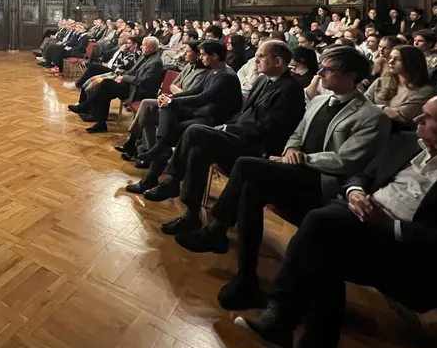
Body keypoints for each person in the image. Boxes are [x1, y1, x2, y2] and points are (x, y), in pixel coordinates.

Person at [234, 95, 437, 348]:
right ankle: (303, 345)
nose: (417, 120)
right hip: (359, 228)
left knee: (320, 232)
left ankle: (284, 317)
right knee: (323, 244)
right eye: (421, 113)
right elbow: (362, 175)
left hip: (417, 260)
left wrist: (394, 227)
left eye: (430, 118)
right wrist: (355, 193)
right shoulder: (405, 142)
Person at [174, 46, 389, 311]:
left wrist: (304, 158)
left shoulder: (371, 116)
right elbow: (296, 135)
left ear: (351, 75)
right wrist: (291, 150)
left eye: (328, 69)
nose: (320, 73)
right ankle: (245, 277)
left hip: (323, 183)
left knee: (246, 166)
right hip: (294, 171)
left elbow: (348, 160)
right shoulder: (320, 101)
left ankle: (217, 232)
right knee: (251, 186)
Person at [143, 40, 306, 234]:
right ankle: (190, 215)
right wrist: (228, 127)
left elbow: (269, 129)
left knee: (195, 131)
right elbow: (244, 113)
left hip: (258, 147)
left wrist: (229, 128)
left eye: (261, 56)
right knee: (198, 151)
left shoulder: (290, 90)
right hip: (240, 135)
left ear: (278, 61)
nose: (256, 60)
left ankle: (173, 180)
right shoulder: (263, 80)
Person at [127, 40, 242, 193]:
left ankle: (156, 160)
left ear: (214, 56)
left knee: (170, 128)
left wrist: (172, 102)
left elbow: (203, 98)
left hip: (212, 120)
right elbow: (196, 91)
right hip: (201, 113)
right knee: (167, 113)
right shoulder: (213, 70)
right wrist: (171, 98)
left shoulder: (226, 76)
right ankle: (158, 151)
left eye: (203, 54)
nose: (200, 57)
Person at [115, 40, 207, 160]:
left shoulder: (202, 73)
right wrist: (176, 91)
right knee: (146, 104)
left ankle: (138, 146)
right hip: (172, 99)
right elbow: (172, 85)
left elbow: (188, 94)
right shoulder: (189, 66)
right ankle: (138, 144)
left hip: (182, 105)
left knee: (148, 112)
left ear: (197, 54)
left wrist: (176, 91)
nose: (185, 53)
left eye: (188, 51)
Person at [76, 36, 164, 134]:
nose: (141, 47)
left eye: (143, 45)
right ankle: (98, 121)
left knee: (105, 85)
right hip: (131, 85)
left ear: (151, 48)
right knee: (105, 88)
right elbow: (132, 71)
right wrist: (121, 76)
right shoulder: (144, 56)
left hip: (139, 91)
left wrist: (124, 78)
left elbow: (143, 81)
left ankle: (88, 109)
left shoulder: (156, 62)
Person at [365, 45, 434, 131]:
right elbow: (361, 105)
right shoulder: (380, 82)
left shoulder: (425, 91)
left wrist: (374, 107)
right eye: (390, 58)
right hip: (370, 129)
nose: (391, 62)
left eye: (397, 59)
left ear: (411, 62)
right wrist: (384, 109)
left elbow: (401, 117)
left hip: (401, 135)